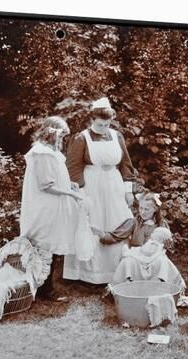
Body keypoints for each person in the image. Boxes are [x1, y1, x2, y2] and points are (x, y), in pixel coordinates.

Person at [63, 97, 137, 284]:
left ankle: (115, 271)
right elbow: (73, 167)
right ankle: (89, 273)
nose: (104, 127)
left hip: (114, 184)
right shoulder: (82, 138)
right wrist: (79, 192)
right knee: (93, 222)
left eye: (107, 124)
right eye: (100, 124)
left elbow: (126, 164)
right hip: (91, 185)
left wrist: (128, 190)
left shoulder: (117, 136)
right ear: (92, 120)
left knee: (117, 219)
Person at [20, 116, 83, 298]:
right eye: (61, 136)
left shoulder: (50, 152)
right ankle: (43, 288)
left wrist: (70, 184)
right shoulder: (42, 153)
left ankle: (45, 286)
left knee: (53, 242)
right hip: (45, 205)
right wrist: (70, 194)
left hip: (53, 203)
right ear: (51, 133)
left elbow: (55, 177)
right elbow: (46, 185)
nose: (62, 140)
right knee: (45, 243)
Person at [112, 227, 186, 292]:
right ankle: (128, 252)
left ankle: (127, 252)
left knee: (131, 254)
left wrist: (140, 250)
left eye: (153, 233)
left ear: (159, 237)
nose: (151, 234)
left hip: (149, 257)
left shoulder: (154, 244)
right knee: (130, 257)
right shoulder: (155, 243)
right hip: (148, 256)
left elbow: (146, 251)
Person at [94, 192, 170, 248]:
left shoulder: (162, 225)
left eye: (146, 209)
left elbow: (168, 244)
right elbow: (117, 236)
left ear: (155, 209)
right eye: (141, 208)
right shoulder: (134, 222)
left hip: (154, 257)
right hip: (137, 256)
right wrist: (101, 234)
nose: (142, 212)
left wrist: (165, 243)